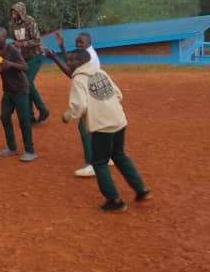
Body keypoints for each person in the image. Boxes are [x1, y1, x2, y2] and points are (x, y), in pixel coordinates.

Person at [60, 49, 152, 212]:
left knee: (99, 162)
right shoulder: (100, 72)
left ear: (81, 61)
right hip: (119, 121)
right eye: (67, 60)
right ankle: (141, 190)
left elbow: (79, 106)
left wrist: (67, 116)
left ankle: (114, 201)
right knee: (119, 155)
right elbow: (118, 94)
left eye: (71, 60)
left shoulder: (79, 79)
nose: (68, 63)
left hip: (102, 126)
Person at [46, 30, 108, 178]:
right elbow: (72, 60)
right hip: (97, 95)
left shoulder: (89, 58)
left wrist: (54, 57)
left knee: (85, 127)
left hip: (90, 97)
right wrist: (61, 47)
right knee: (99, 127)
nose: (78, 44)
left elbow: (70, 72)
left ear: (89, 43)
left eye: (81, 42)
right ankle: (106, 156)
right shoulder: (86, 53)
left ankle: (92, 164)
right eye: (77, 41)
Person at [0, 26, 37, 162]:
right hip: (8, 90)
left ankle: (30, 151)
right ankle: (12, 147)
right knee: (4, 117)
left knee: (24, 120)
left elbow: (25, 67)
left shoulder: (13, 50)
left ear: (5, 38)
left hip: (21, 89)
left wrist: (10, 64)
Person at [8, 3, 51, 124]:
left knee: (26, 82)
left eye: (15, 12)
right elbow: (16, 41)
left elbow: (37, 40)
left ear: (21, 12)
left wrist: (21, 44)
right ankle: (30, 117)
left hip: (35, 56)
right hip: (23, 58)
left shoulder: (30, 21)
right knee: (25, 84)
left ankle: (43, 111)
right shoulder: (12, 24)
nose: (13, 14)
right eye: (12, 12)